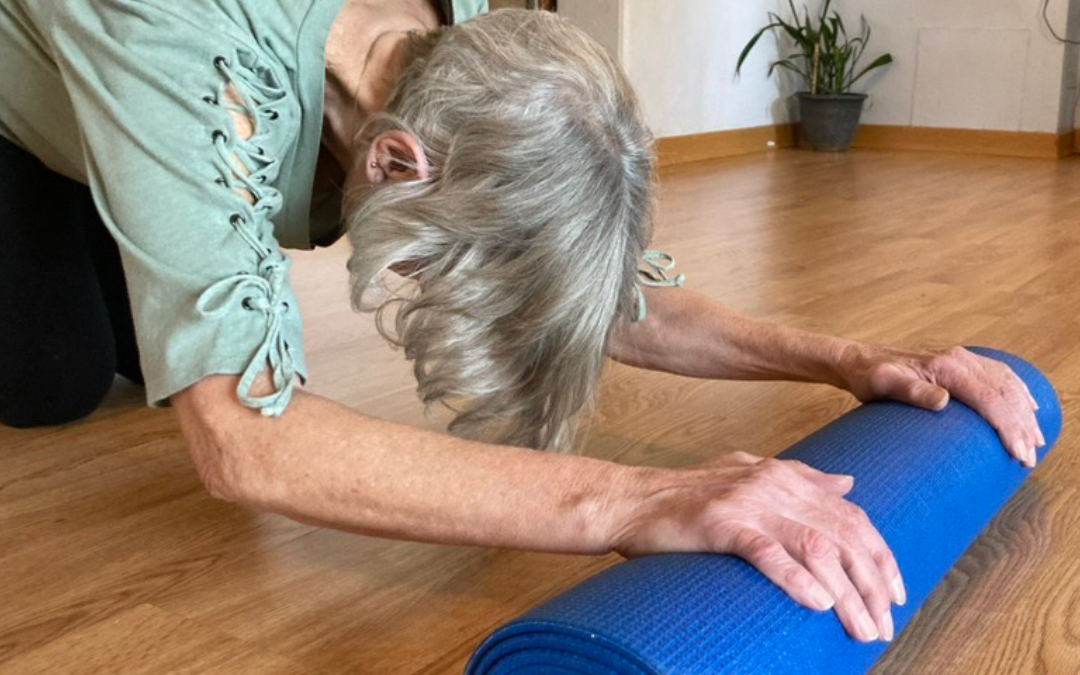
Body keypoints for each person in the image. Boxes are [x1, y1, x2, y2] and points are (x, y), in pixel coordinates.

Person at [0, 0, 1043, 646]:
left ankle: (147, 216)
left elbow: (607, 290)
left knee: (143, 321)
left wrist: (851, 362)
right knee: (56, 380)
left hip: (154, 105)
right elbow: (242, 440)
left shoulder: (471, 51)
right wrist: (641, 502)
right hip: (33, 100)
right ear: (399, 161)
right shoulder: (178, 30)